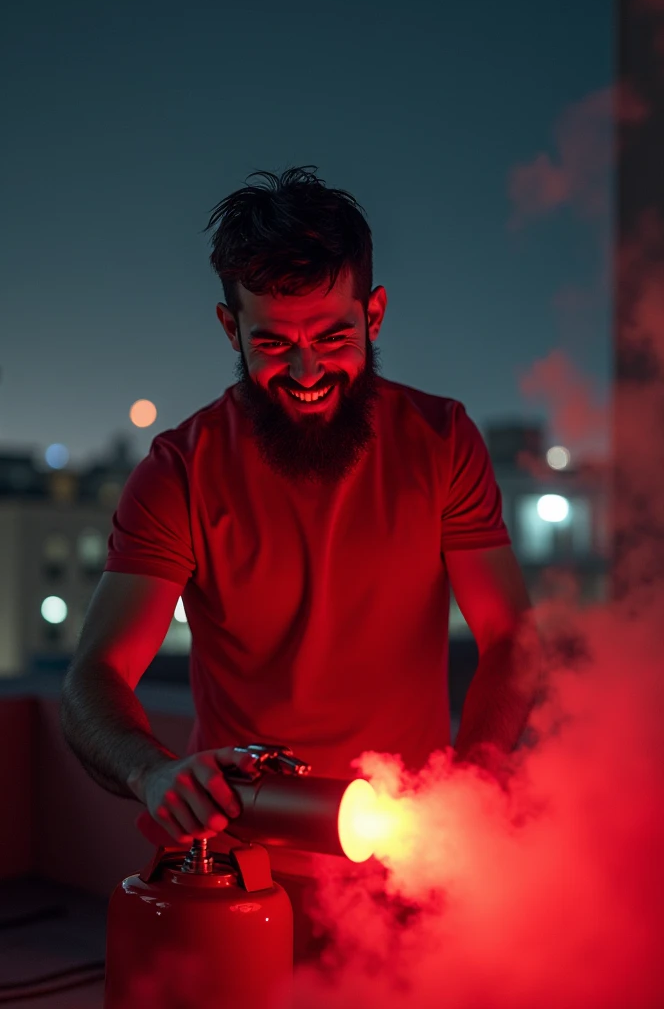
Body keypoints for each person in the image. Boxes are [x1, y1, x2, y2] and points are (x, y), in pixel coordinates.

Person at [60, 166, 539, 961]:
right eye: (274, 344)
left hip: (408, 856)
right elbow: (91, 679)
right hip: (243, 873)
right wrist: (152, 775)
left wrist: (474, 790)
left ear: (375, 313)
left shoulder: (443, 441)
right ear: (230, 329)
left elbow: (513, 638)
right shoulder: (180, 471)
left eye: (334, 337)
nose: (309, 373)